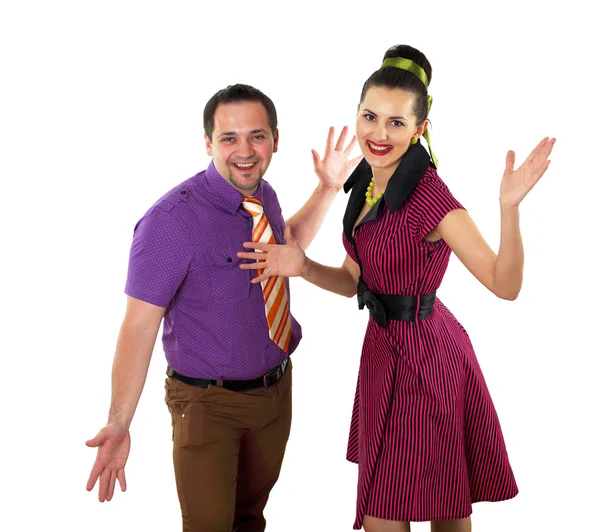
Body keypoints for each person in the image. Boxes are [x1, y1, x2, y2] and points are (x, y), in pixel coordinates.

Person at [237, 45, 555, 532]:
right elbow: (352, 282)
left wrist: (508, 209)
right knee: (395, 502)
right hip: (383, 353)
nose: (378, 134)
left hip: (429, 360)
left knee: (438, 506)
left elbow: (504, 284)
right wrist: (302, 266)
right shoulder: (366, 182)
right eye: (370, 117)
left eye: (396, 123)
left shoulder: (432, 198)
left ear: (420, 129)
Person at [85, 83, 360, 532]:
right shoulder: (170, 222)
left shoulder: (262, 195)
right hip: (208, 404)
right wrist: (119, 422)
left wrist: (328, 189)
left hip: (275, 395)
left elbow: (283, 252)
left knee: (250, 519)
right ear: (208, 142)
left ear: (275, 138)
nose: (245, 150)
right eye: (229, 138)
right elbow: (138, 327)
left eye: (257, 135)